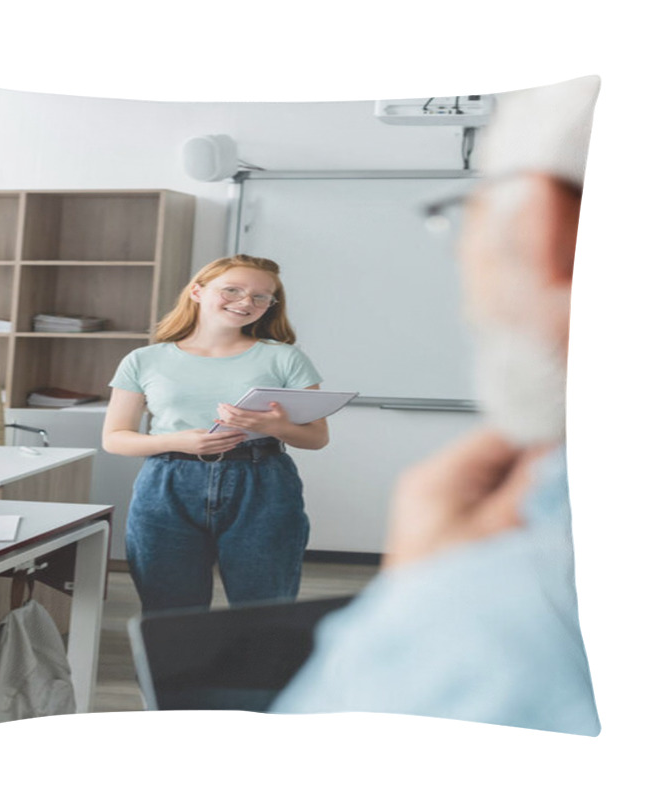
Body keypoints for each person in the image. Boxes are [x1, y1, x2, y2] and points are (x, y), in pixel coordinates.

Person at [270, 76, 602, 736]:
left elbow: (315, 437)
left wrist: (424, 605)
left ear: (546, 232)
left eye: (464, 218)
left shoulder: (492, 633)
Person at [102, 253, 329, 612]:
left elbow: (316, 437)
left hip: (263, 485)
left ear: (270, 305)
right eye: (232, 290)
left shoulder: (284, 358)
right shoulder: (144, 359)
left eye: (260, 297)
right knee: (170, 613)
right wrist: (178, 441)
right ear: (197, 291)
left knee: (265, 609)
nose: (246, 302)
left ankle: (258, 671)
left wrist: (271, 426)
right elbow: (115, 437)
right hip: (167, 485)